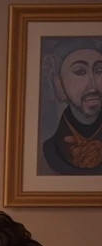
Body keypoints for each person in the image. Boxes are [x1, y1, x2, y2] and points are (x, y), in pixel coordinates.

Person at [40, 38, 102, 175]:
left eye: (99, 71)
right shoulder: (52, 148)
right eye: (80, 71)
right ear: (58, 84)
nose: (93, 86)